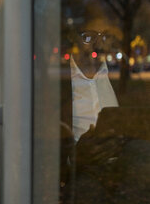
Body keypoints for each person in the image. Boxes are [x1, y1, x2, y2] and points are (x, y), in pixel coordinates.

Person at [60, 29, 150, 204]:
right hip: (80, 167)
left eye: (104, 38)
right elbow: (48, 143)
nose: (97, 44)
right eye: (87, 37)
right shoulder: (57, 86)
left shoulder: (116, 78)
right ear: (74, 44)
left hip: (119, 157)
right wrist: (77, 154)